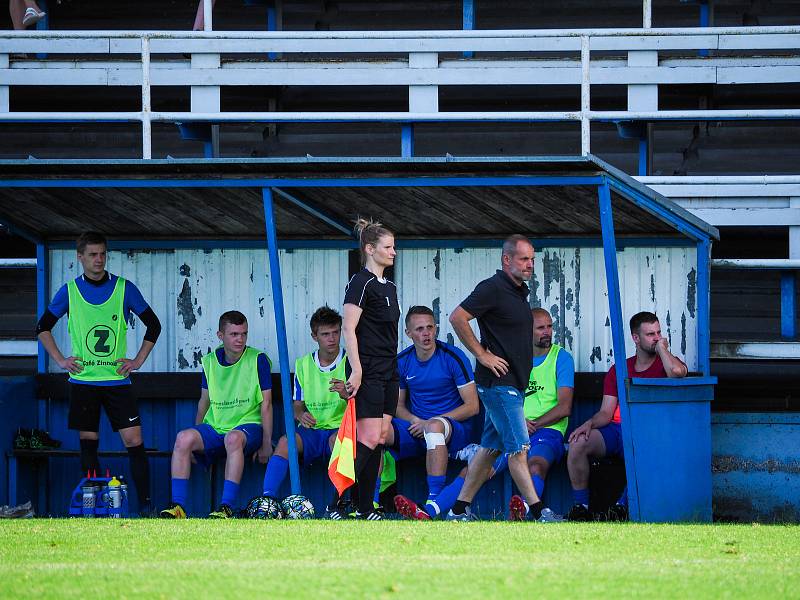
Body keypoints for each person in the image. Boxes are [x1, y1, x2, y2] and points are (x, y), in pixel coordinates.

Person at [36, 231, 161, 514]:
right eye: (92, 254)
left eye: (103, 254)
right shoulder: (68, 291)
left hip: (118, 381)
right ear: (79, 257)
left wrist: (138, 360)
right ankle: (93, 508)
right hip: (83, 382)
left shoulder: (124, 288)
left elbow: (154, 325)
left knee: (134, 441)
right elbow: (42, 327)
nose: (99, 260)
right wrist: (60, 359)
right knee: (88, 441)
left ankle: (146, 508)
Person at [446, 234, 560, 522]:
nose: (530, 264)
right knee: (519, 450)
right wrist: (482, 355)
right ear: (506, 259)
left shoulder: (518, 291)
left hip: (513, 385)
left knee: (489, 450)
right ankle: (538, 511)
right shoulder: (492, 288)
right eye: (524, 259)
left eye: (532, 259)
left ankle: (458, 510)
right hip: (499, 385)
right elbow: (458, 317)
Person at [566, 311, 687, 522]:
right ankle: (581, 508)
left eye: (659, 332)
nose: (656, 337)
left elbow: (677, 373)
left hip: (648, 432)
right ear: (635, 338)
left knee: (645, 449)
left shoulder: (666, 362)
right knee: (578, 443)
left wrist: (662, 349)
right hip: (617, 430)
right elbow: (605, 412)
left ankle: (622, 507)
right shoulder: (620, 369)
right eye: (650, 334)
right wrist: (589, 423)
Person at [161, 311, 272, 519]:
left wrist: (266, 443)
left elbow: (266, 405)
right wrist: (196, 437)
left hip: (247, 426)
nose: (240, 339)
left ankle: (226, 507)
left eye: (244, 334)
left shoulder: (258, 360)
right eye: (234, 334)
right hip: (215, 426)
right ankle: (178, 507)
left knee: (233, 438)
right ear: (220, 335)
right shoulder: (210, 361)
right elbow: (204, 401)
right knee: (183, 438)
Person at [389, 305, 480, 520]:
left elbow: (472, 406)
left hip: (454, 430)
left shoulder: (453, 357)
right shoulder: (402, 361)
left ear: (436, 329)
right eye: (419, 329)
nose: (426, 333)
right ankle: (370, 504)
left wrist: (430, 422)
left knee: (434, 427)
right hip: (418, 427)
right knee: (378, 430)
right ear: (408, 333)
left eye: (430, 327)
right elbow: (397, 406)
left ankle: (433, 502)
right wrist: (415, 420)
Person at [261, 306, 347, 514]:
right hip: (313, 428)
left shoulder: (351, 361)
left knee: (338, 444)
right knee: (284, 443)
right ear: (314, 336)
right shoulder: (303, 365)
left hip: (341, 429)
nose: (332, 338)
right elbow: (297, 404)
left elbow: (363, 402)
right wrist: (300, 414)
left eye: (335, 332)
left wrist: (346, 394)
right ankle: (267, 501)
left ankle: (340, 504)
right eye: (325, 334)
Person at [342, 218, 400, 521]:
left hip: (391, 370)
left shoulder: (389, 285)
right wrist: (357, 370)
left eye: (394, 247)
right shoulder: (360, 282)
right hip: (370, 370)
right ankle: (336, 502)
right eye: (388, 247)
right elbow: (348, 329)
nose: (393, 252)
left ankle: (365, 508)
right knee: (365, 439)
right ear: (370, 249)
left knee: (379, 438)